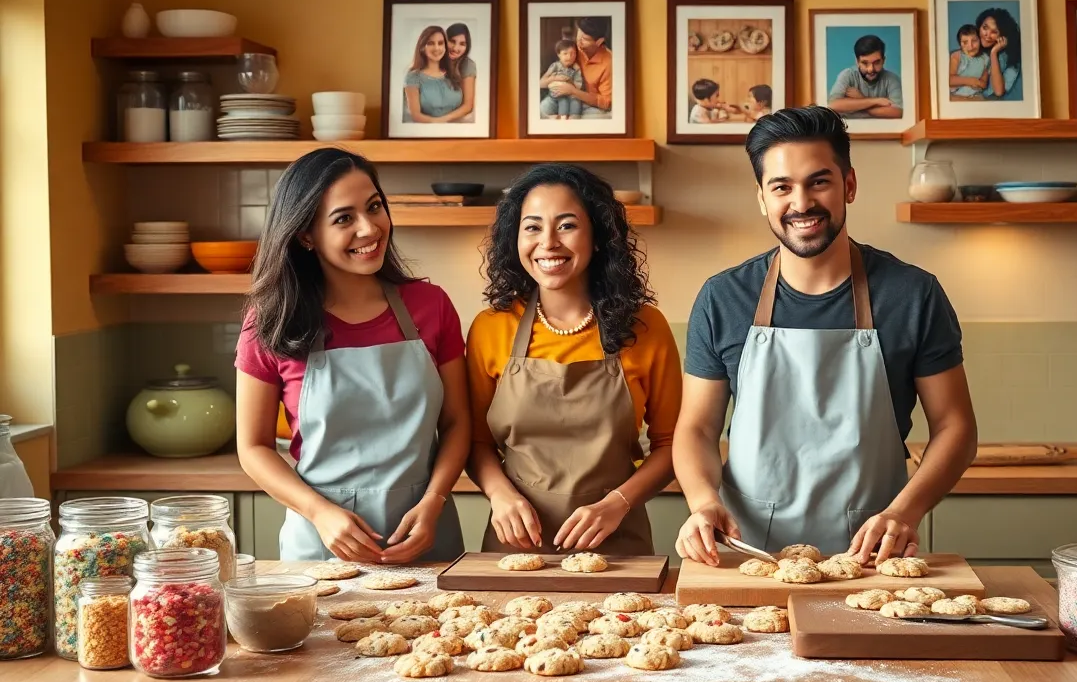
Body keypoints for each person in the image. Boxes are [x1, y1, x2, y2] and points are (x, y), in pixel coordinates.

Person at [671, 106, 977, 566]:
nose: (801, 203)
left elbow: (956, 427)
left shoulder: (913, 294)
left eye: (819, 182)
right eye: (781, 187)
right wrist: (701, 501)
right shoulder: (723, 297)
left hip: (873, 554)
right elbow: (696, 427)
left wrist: (904, 511)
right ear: (761, 197)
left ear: (848, 185)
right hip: (746, 555)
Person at [234, 148, 471, 563]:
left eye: (375, 207)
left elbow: (456, 422)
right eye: (344, 218)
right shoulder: (271, 322)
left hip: (425, 536)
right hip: (322, 543)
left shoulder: (430, 306)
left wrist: (434, 501)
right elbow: (252, 447)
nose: (369, 228)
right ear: (306, 235)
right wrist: (320, 513)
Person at [464, 163, 682, 554]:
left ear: (597, 236)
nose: (548, 242)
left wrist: (617, 505)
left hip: (617, 541)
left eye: (566, 225)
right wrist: (500, 495)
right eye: (532, 227)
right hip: (515, 543)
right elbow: (476, 442)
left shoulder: (646, 328)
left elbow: (671, 445)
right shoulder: (490, 328)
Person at [403, 23, 477, 123]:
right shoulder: (413, 77)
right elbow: (415, 115)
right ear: (422, 47)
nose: (437, 48)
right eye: (430, 43)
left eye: (440, 43)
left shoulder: (455, 73)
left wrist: (444, 122)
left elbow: (468, 105)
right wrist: (437, 123)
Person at [546, 17, 612, 119]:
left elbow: (606, 102)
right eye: (578, 34)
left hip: (590, 106)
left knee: (596, 119)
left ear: (599, 41)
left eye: (584, 39)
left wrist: (573, 91)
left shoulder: (609, 62)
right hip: (563, 97)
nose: (578, 41)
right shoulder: (574, 48)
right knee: (541, 110)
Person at [827, 34, 904, 117]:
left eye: (877, 62)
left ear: (883, 60)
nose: (871, 69)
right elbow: (833, 105)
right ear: (857, 61)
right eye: (864, 63)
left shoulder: (892, 79)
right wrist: (875, 101)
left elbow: (898, 112)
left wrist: (860, 99)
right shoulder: (847, 75)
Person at [974, 8, 1022, 101]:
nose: (987, 35)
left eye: (994, 32)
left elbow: (998, 91)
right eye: (985, 28)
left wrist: (993, 53)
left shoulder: (1011, 59)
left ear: (1002, 37)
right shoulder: (972, 45)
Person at [539, 38, 587, 119]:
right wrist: (555, 78)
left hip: (572, 94)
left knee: (576, 102)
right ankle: (562, 117)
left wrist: (570, 81)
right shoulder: (555, 66)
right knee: (560, 102)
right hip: (556, 95)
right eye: (565, 53)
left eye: (573, 53)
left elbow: (579, 85)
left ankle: (574, 118)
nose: (569, 57)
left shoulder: (576, 68)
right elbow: (541, 83)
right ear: (558, 54)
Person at [949, 24, 991, 99]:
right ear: (960, 44)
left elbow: (984, 84)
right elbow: (950, 80)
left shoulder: (985, 59)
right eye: (965, 42)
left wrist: (978, 83)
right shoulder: (956, 56)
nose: (970, 46)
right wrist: (971, 81)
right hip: (956, 95)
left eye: (974, 41)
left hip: (976, 95)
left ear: (980, 40)